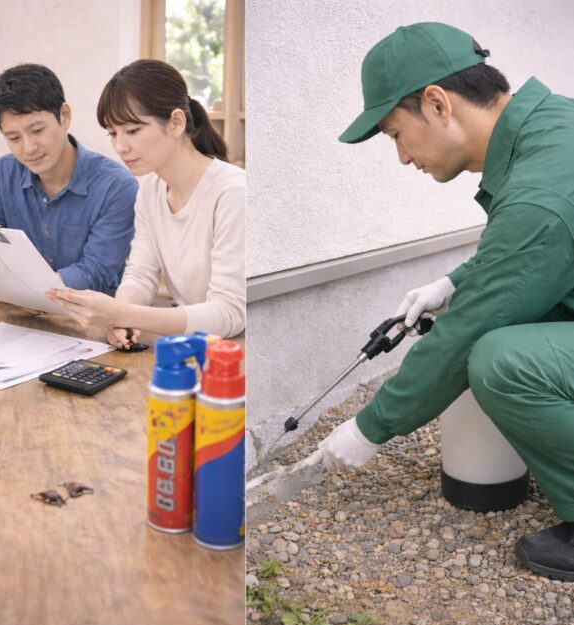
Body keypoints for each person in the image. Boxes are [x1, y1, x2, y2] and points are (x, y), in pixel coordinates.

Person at [309, 22, 574, 581]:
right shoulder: (551, 129)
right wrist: (455, 281)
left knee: (503, 360)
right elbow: (535, 257)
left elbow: (469, 330)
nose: (403, 158)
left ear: (437, 103)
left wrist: (370, 428)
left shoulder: (541, 191)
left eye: (395, 135)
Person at [46, 59, 245, 345]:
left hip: (240, 349)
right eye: (113, 133)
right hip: (193, 344)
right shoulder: (151, 189)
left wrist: (123, 313)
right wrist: (120, 320)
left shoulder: (232, 193)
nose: (120, 146)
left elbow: (229, 313)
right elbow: (140, 274)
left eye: (132, 130)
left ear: (176, 123)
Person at [0, 64, 137, 294]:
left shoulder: (117, 187)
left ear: (64, 116)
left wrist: (10, 282)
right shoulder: (3, 173)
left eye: (37, 131)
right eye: (14, 138)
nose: (29, 148)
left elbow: (96, 271)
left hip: (90, 311)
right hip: (14, 308)